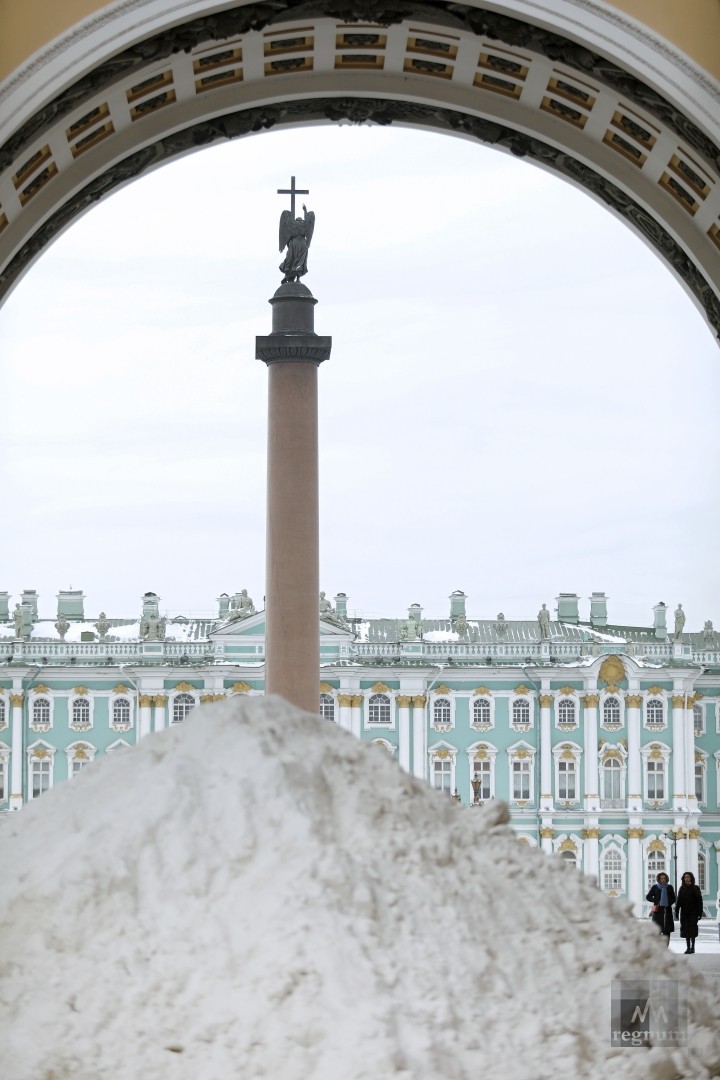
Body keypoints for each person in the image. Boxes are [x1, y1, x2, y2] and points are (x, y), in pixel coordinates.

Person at [674, 871, 703, 954]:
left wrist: (700, 912)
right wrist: (676, 911)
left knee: (692, 929)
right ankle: (688, 948)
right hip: (684, 912)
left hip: (693, 912)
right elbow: (678, 900)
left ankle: (693, 947)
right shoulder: (681, 888)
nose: (686, 878)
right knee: (686, 929)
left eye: (688, 877)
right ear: (683, 879)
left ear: (691, 878)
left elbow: (699, 901)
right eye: (685, 877)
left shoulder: (695, 888)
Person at [646, 871, 675, 946]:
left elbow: (674, 898)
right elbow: (648, 897)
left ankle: (666, 947)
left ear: (666, 879)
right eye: (661, 878)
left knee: (667, 931)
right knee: (657, 930)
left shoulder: (669, 887)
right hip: (658, 911)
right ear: (659, 879)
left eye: (664, 878)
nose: (663, 880)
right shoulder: (655, 887)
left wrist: (668, 903)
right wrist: (655, 901)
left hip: (667, 911)